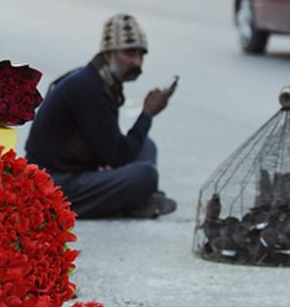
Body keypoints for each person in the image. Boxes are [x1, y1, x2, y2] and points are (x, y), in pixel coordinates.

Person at [25, 13, 177, 219]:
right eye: (130, 54)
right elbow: (117, 156)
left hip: (77, 171)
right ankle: (134, 199)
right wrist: (147, 114)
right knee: (145, 175)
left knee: (146, 145)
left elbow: (110, 150)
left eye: (141, 56)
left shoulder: (100, 81)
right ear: (108, 54)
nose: (137, 63)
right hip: (52, 182)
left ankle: (135, 198)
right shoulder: (89, 86)